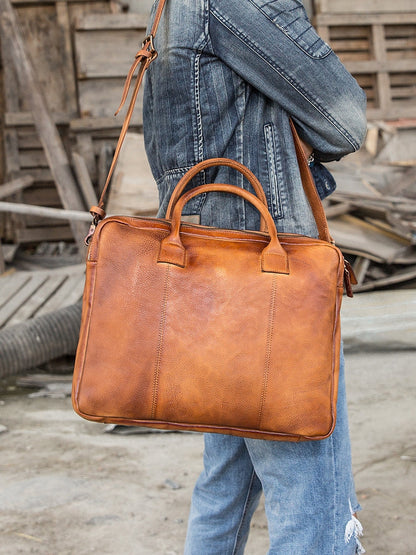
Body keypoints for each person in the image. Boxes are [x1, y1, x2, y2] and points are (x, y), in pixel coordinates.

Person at [143, 1, 367, 553]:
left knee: (226, 486)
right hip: (272, 278)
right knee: (309, 497)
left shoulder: (172, 6)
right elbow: (344, 120)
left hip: (208, 272)